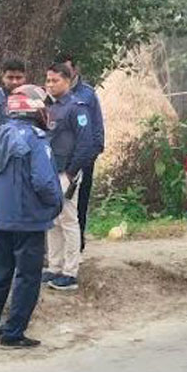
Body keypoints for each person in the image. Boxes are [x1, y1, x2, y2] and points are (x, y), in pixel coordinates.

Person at [0, 85, 63, 348]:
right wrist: (55, 205)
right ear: (36, 109)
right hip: (28, 219)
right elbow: (44, 182)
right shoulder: (36, 139)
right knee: (27, 278)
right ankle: (14, 333)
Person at [43, 63, 96, 291]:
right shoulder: (49, 108)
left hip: (68, 172)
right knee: (52, 221)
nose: (50, 84)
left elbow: (86, 144)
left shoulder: (77, 107)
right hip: (49, 172)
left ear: (67, 81)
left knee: (68, 219)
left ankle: (70, 272)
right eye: (48, 81)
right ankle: (54, 267)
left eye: (55, 81)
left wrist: (71, 173)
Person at [57, 53, 104, 251]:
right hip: (59, 163)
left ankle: (78, 248)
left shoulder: (87, 94)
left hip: (83, 159)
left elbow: (97, 126)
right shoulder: (51, 96)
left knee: (80, 203)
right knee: (58, 207)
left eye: (68, 70)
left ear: (75, 70)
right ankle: (58, 253)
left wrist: (92, 153)